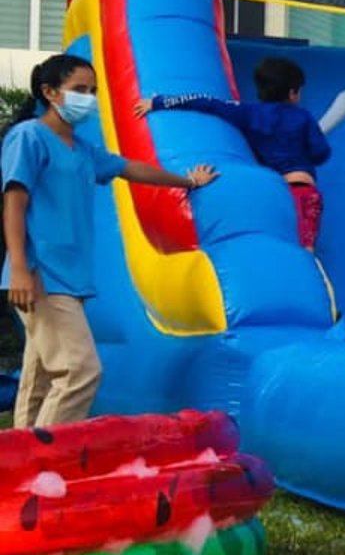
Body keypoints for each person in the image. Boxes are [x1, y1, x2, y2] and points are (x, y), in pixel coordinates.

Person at [4, 54, 217, 427]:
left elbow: (131, 168)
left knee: (40, 378)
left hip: (70, 276)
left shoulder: (83, 149)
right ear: (49, 92)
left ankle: (17, 456)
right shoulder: (29, 137)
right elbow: (14, 202)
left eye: (93, 91)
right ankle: (49, 454)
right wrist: (20, 267)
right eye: (79, 90)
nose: (88, 99)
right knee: (80, 371)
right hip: (41, 275)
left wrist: (187, 182)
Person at [135, 55, 330, 250]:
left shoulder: (248, 113)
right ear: (293, 93)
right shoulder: (302, 117)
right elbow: (321, 153)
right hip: (302, 189)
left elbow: (206, 102)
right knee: (304, 249)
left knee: (275, 243)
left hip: (271, 192)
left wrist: (159, 102)